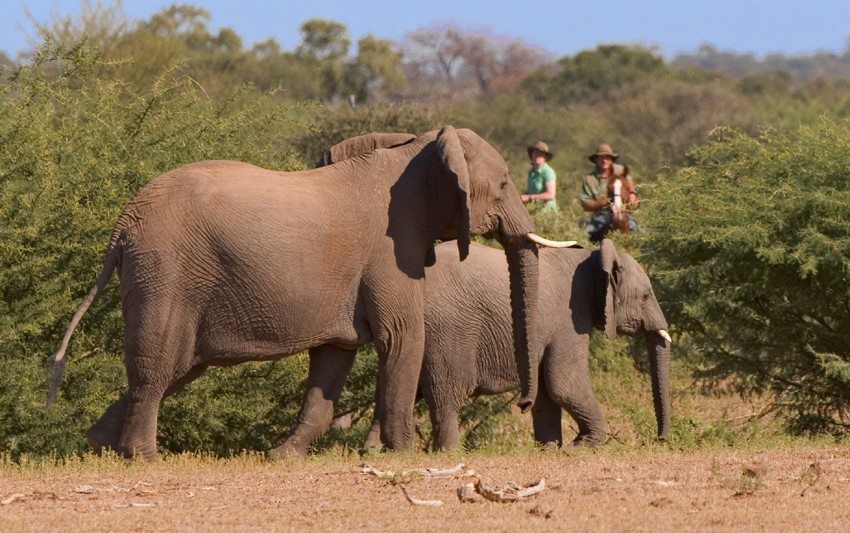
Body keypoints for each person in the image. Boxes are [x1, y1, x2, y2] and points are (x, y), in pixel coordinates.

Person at [580, 143, 641, 242]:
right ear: (596, 159)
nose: (604, 160)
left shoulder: (620, 171)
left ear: (611, 159)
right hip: (601, 216)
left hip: (623, 213)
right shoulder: (589, 179)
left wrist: (632, 194)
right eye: (601, 158)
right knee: (585, 235)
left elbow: (629, 182)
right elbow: (586, 204)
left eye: (607, 158)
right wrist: (606, 201)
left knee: (640, 233)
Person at [520, 141, 558, 213]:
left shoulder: (548, 172)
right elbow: (531, 191)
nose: (537, 155)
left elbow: (551, 195)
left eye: (540, 153)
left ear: (545, 157)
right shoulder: (531, 172)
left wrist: (529, 198)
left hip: (547, 214)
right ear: (532, 155)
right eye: (536, 152)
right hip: (535, 211)